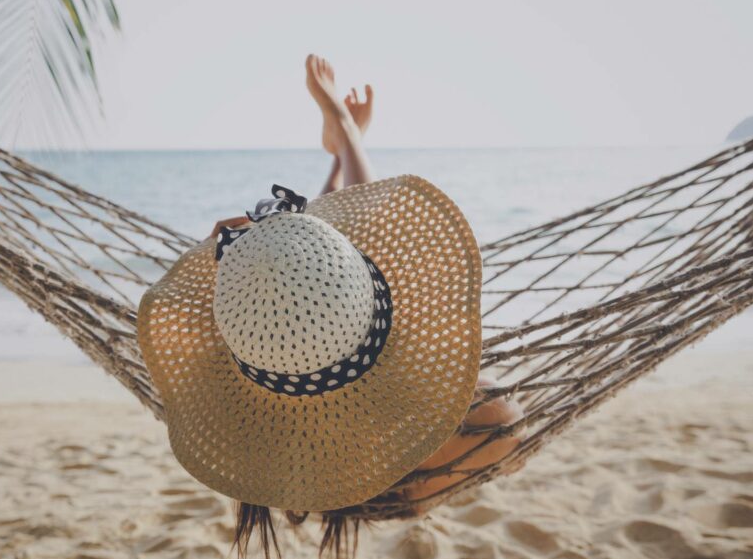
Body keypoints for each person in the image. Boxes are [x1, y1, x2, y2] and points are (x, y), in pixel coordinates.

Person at [210, 54, 521, 506]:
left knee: (310, 263)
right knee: (332, 261)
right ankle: (346, 141)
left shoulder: (260, 340)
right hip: (388, 404)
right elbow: (341, 259)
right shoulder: (483, 417)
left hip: (305, 394)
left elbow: (306, 276)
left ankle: (342, 153)